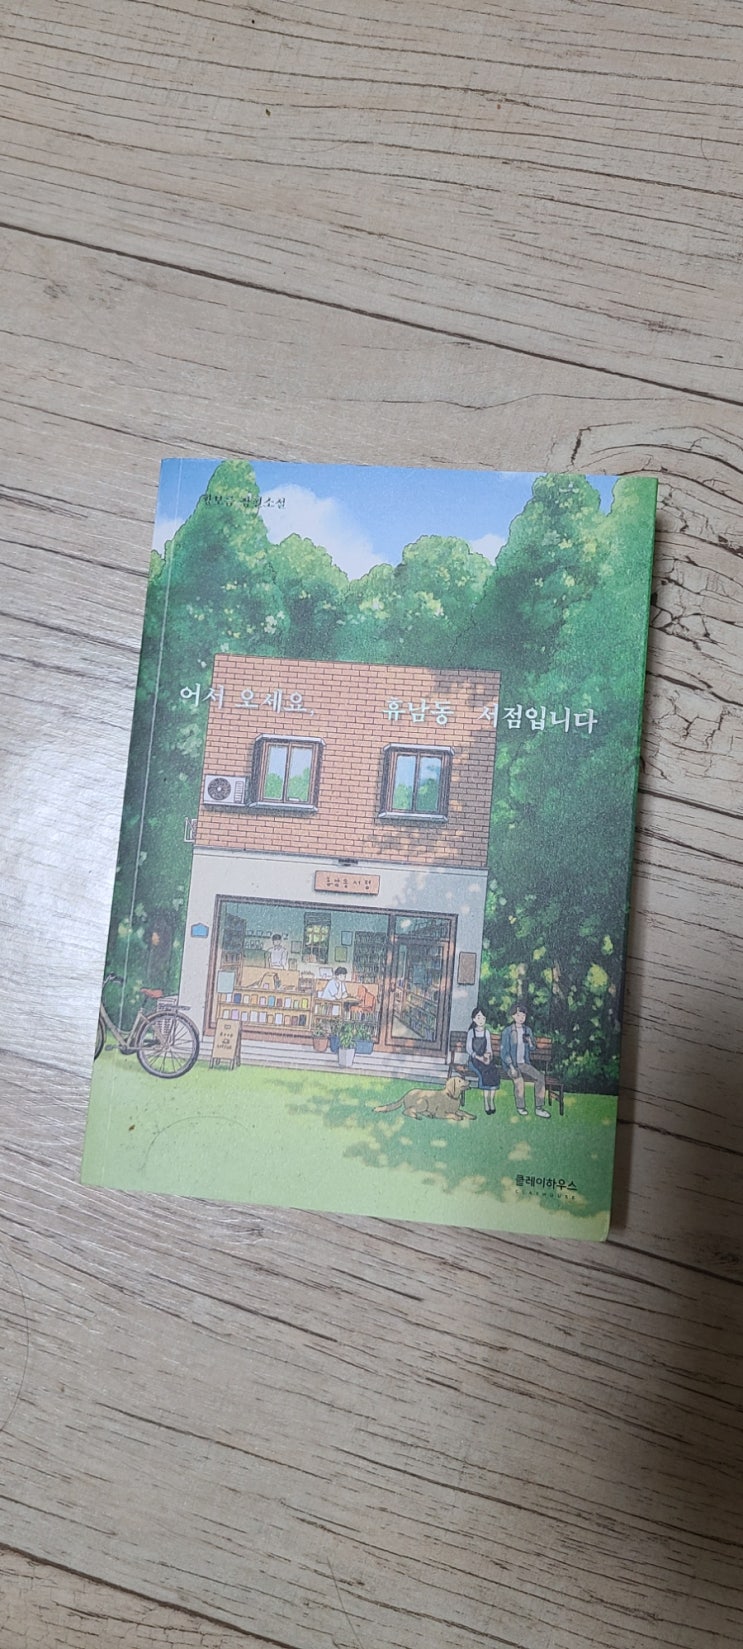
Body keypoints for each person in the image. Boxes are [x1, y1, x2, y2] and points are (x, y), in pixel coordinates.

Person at [500, 1004, 550, 1117]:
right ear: (513, 1016)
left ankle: (539, 1107)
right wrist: (511, 1067)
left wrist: (530, 1041)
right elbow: (504, 1052)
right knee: (519, 1080)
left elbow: (532, 1048)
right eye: (518, 1015)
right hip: (511, 1064)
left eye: (523, 1015)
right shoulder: (508, 1031)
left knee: (540, 1077)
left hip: (524, 1063)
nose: (521, 1018)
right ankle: (520, 1107)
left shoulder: (527, 1030)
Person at [465, 1007, 499, 1115]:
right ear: (474, 1019)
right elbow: (469, 1049)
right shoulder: (471, 1032)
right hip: (474, 1060)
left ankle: (491, 1101)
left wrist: (488, 1056)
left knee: (493, 1071)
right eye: (478, 1017)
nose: (481, 1020)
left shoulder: (486, 1032)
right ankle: (486, 1102)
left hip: (485, 1059)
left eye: (483, 1018)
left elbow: (489, 1048)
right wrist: (479, 1057)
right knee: (485, 1072)